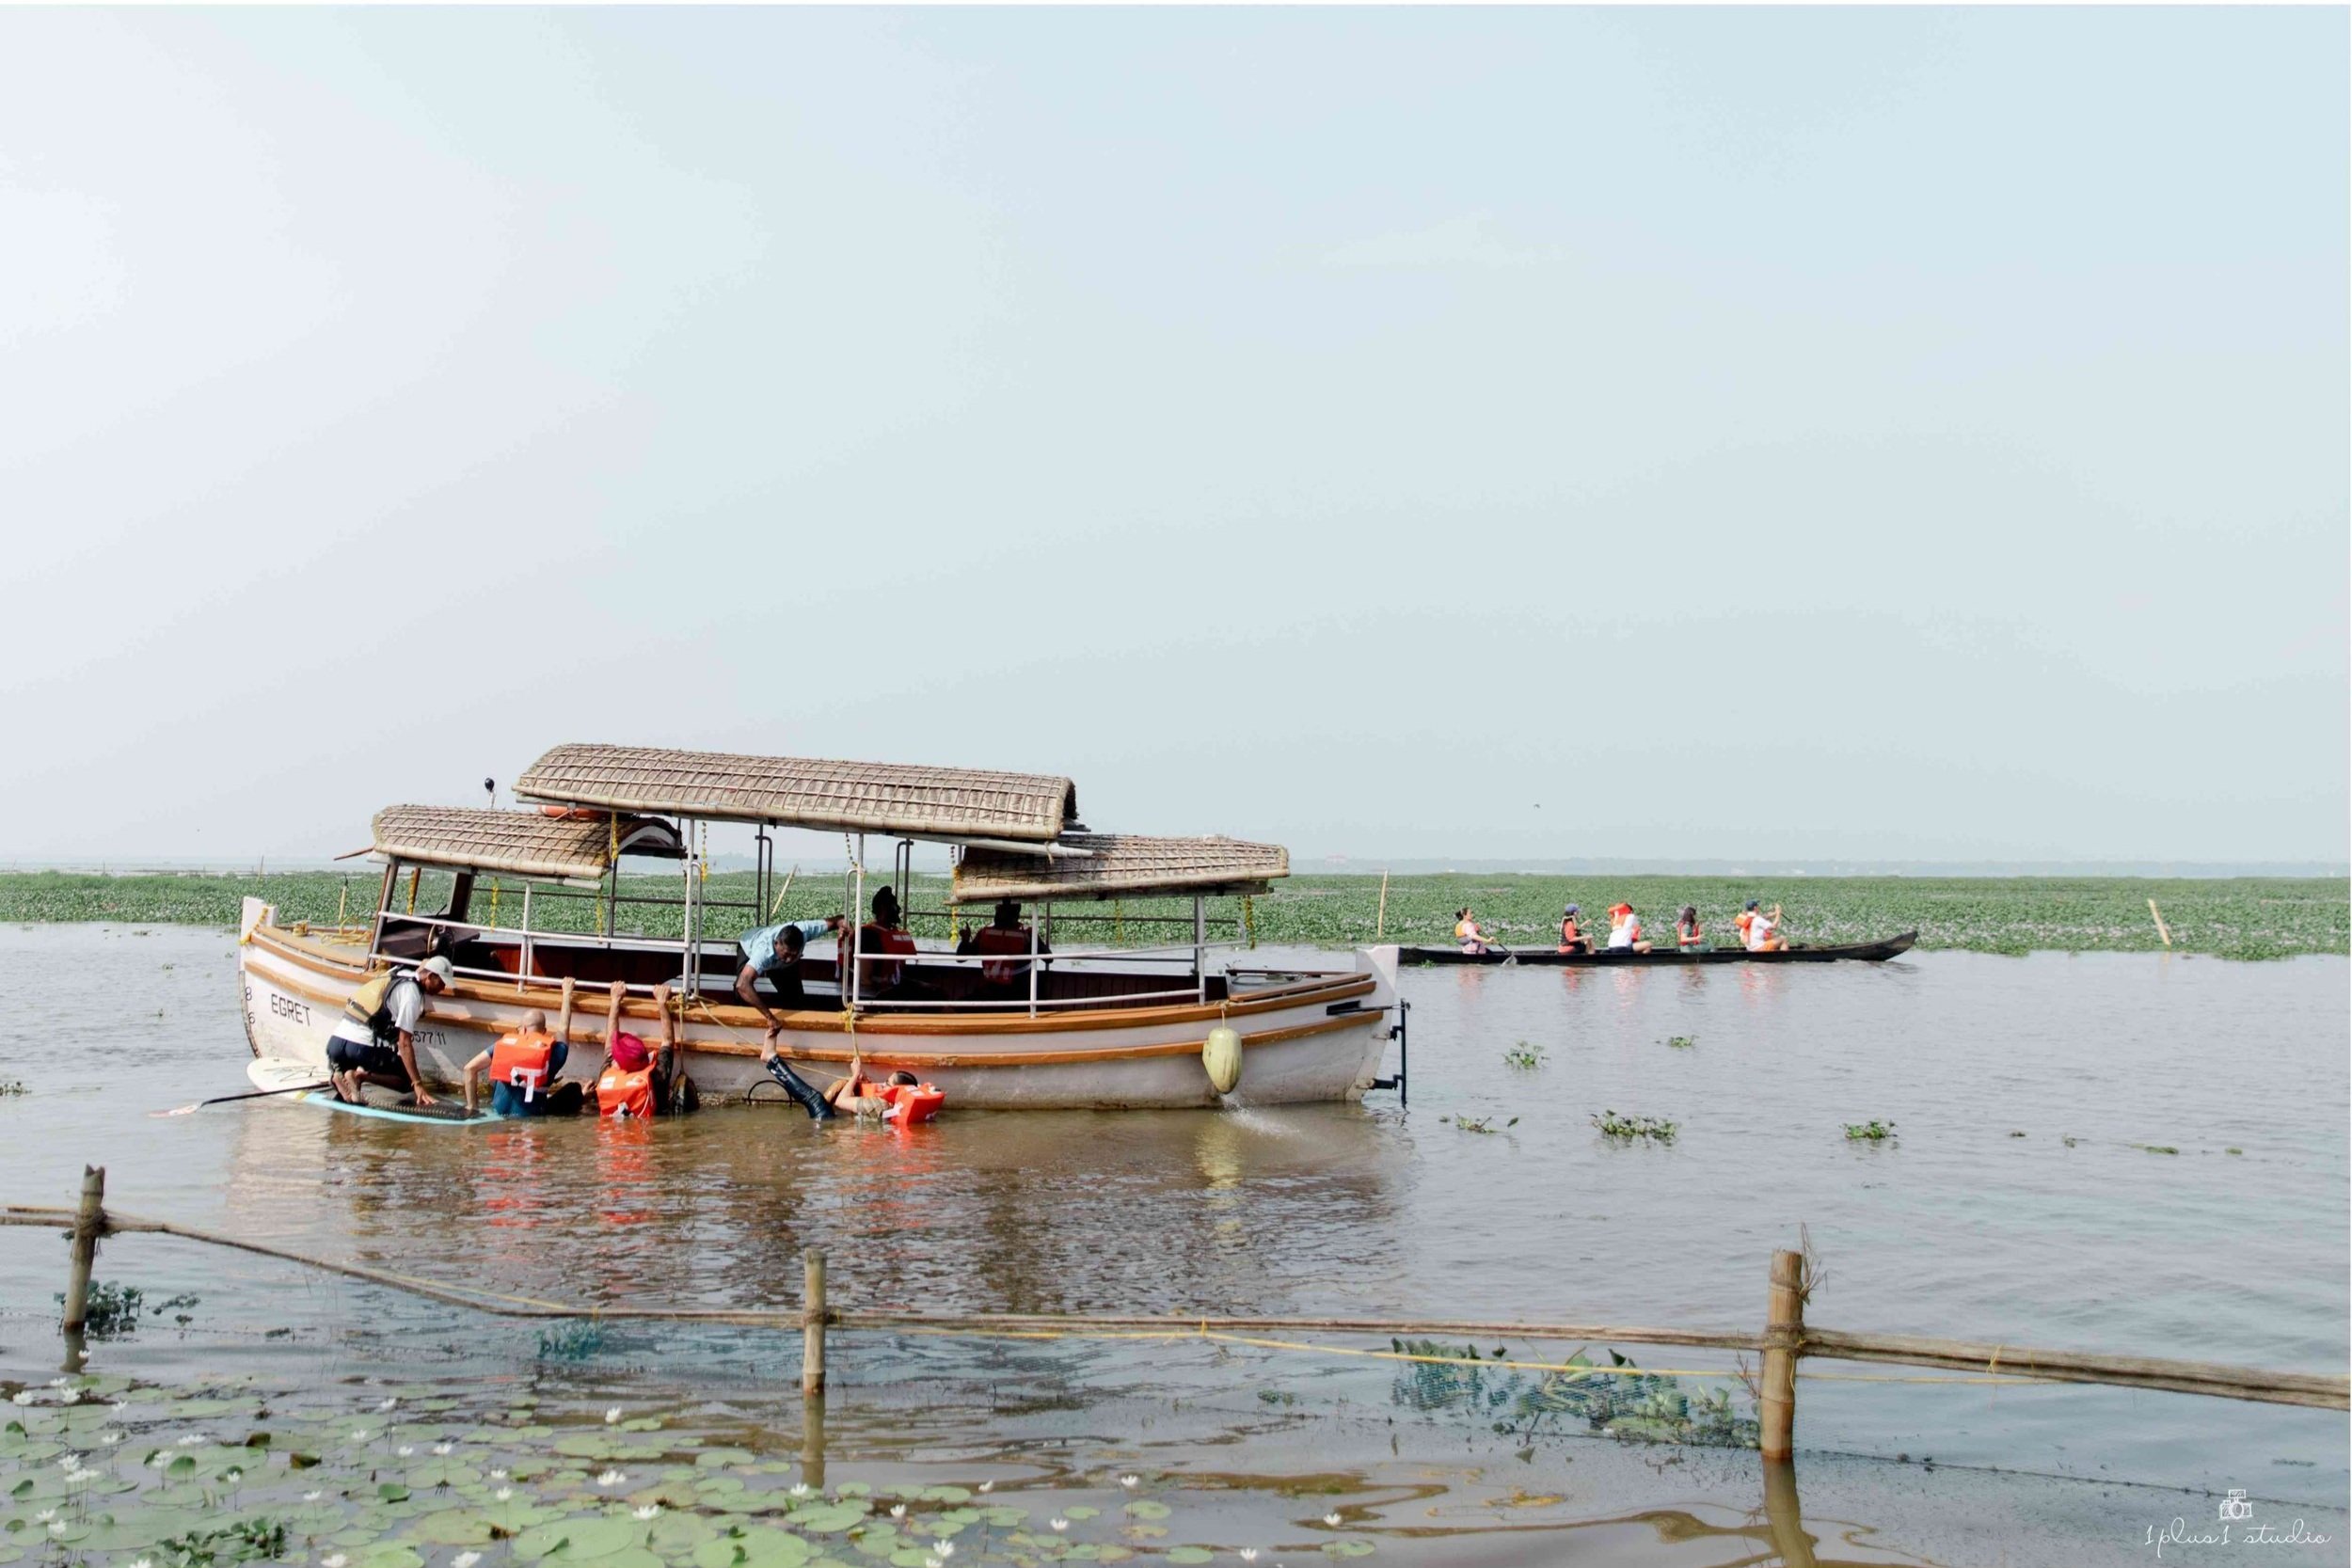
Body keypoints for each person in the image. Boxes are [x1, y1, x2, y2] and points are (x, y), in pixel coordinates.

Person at [327, 954, 452, 1105]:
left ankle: (341, 1077)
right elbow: (404, 1043)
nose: (444, 988)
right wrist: (417, 1084)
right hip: (361, 1047)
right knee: (406, 1082)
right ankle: (360, 1076)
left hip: (337, 1043)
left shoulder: (396, 972)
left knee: (348, 1073)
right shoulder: (411, 994)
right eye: (442, 983)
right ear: (430, 977)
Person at [461, 976, 583, 1117]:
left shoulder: (503, 1046)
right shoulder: (555, 1054)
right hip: (530, 1121)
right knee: (574, 1090)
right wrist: (567, 993)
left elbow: (469, 1068)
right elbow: (563, 1027)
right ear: (543, 1032)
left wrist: (472, 1107)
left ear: (523, 1029)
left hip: (498, 1117)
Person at [594, 980, 695, 1119]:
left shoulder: (607, 1072)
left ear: (617, 1062)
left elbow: (610, 1042)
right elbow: (668, 1040)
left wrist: (615, 1001)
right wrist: (661, 1003)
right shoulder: (657, 1076)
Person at [734, 914, 849, 1025]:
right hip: (749, 947)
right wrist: (769, 1017)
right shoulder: (763, 952)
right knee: (741, 993)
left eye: (793, 955)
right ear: (776, 944)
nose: (789, 959)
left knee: (795, 999)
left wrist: (845, 929)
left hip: (779, 963)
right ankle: (740, 1020)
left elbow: (838, 920)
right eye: (786, 954)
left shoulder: (806, 930)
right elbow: (742, 985)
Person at [960, 900, 1046, 992]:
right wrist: (965, 940)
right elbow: (961, 958)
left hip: (1019, 990)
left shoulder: (1027, 933)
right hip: (990, 989)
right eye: (998, 911)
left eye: (1004, 912)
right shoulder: (985, 932)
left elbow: (1048, 958)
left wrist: (1031, 944)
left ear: (1016, 915)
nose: (1000, 915)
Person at [855, 887, 920, 998]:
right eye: (895, 905)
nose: (899, 909)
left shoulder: (893, 933)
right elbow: (865, 978)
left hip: (895, 986)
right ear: (883, 908)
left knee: (936, 992)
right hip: (880, 991)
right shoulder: (869, 934)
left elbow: (898, 972)